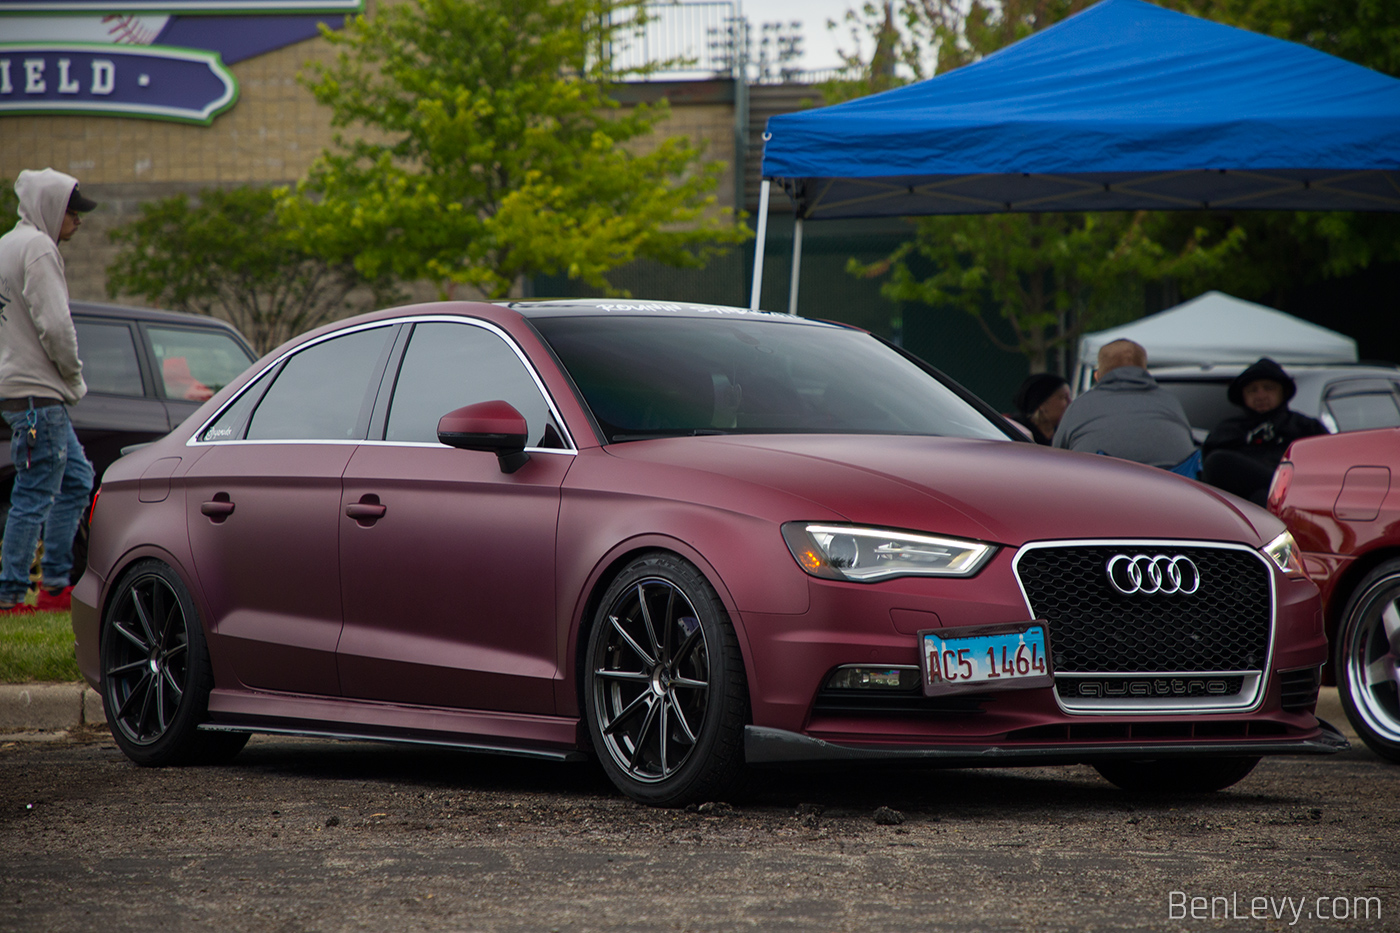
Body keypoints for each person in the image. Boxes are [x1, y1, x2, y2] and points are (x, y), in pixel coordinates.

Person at [0, 169, 97, 613]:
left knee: (76, 480)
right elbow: (56, 326)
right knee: (34, 493)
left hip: (20, 395)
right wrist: (74, 378)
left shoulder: (6, 245)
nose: (77, 221)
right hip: (41, 397)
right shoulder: (38, 248)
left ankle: (56, 585)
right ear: (52, 209)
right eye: (72, 211)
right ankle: (11, 595)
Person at [1201, 357, 1327, 505]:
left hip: (1297, 499)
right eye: (1252, 390)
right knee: (1219, 462)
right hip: (1243, 509)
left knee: (1262, 497)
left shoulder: (1306, 427)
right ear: (1243, 396)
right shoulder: (1226, 431)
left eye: (1268, 388)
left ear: (1283, 392)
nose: (1260, 396)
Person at [1052, 338, 1196, 468]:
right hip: (1174, 491)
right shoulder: (1170, 402)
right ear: (1144, 369)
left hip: (1099, 492)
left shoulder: (1079, 406)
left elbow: (1056, 461)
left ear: (1100, 373)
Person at [1008, 372, 1071, 445]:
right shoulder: (1014, 432)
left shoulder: (1067, 432)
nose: (1070, 402)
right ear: (1041, 402)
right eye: (1064, 397)